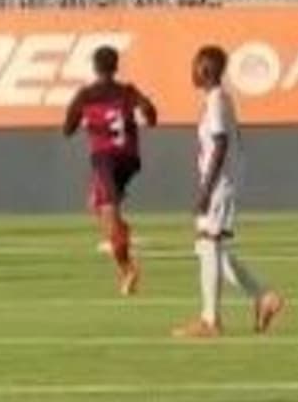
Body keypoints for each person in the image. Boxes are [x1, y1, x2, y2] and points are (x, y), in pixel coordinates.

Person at [174, 46, 286, 338]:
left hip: (220, 183)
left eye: (195, 66)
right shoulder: (219, 99)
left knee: (208, 243)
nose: (192, 71)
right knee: (209, 248)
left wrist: (206, 189)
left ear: (205, 70)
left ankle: (211, 321)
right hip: (223, 181)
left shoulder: (215, 101)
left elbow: (221, 143)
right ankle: (264, 297)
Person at [63, 47, 157, 296]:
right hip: (130, 158)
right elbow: (150, 111)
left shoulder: (86, 94)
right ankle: (121, 234)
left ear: (94, 67)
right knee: (96, 202)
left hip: (105, 159)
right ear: (116, 67)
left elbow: (67, 128)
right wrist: (147, 114)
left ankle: (127, 268)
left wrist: (80, 118)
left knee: (108, 213)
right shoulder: (128, 91)